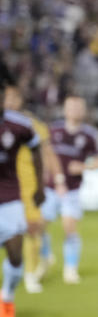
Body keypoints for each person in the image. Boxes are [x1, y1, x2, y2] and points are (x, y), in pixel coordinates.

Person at [3, 85, 62, 294]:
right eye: (6, 98)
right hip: (6, 185)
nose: (9, 102)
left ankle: (29, 275)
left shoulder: (31, 124)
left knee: (31, 228)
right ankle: (42, 255)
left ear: (20, 100)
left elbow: (46, 152)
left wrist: (53, 179)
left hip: (27, 184)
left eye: (12, 98)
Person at [0, 76, 46, 317]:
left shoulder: (17, 125)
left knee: (16, 253)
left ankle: (6, 296)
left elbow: (37, 148)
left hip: (8, 199)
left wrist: (40, 186)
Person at [46, 96, 98, 284]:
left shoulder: (89, 135)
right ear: (64, 109)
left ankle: (70, 269)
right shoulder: (53, 130)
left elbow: (97, 161)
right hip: (49, 187)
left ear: (84, 110)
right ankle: (45, 256)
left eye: (79, 107)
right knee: (37, 226)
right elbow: (43, 154)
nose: (75, 110)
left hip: (72, 189)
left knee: (69, 228)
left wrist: (83, 167)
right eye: (71, 107)